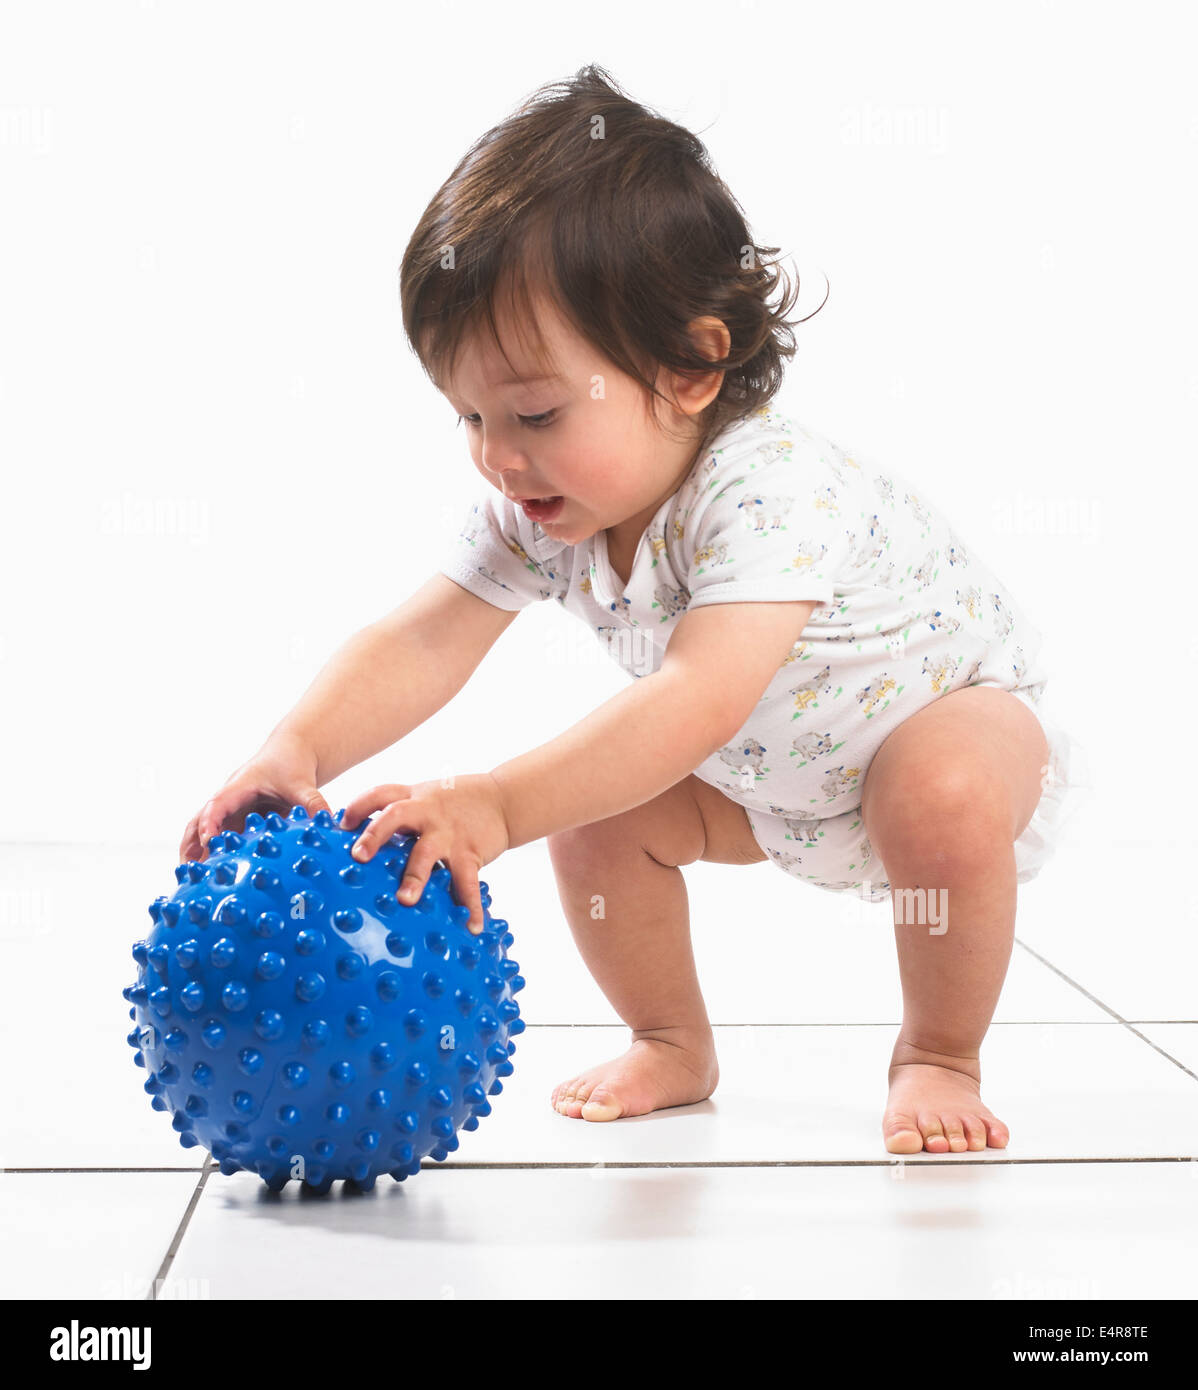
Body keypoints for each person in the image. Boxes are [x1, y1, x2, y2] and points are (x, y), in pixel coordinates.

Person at [180, 65, 1089, 1155]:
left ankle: (938, 1051)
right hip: (771, 789)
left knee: (934, 789)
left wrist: (497, 803)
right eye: (466, 414)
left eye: (533, 410)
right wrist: (297, 746)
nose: (497, 454)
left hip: (951, 723)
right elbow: (421, 637)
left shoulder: (767, 490)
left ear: (692, 365)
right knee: (599, 820)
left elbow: (699, 696)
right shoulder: (540, 508)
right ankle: (669, 1039)